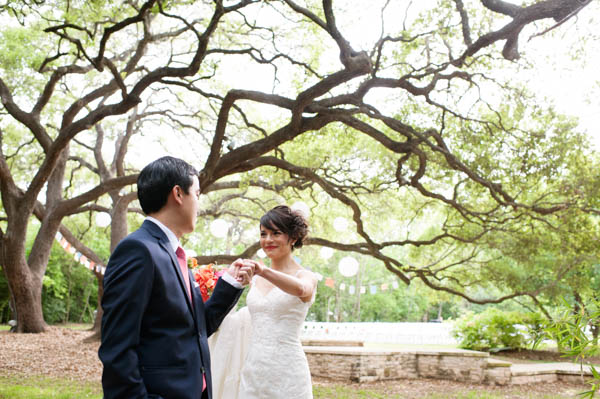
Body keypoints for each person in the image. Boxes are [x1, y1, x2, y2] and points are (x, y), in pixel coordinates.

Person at [98, 156, 254, 399]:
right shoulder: (138, 250)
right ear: (178, 194)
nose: (199, 204)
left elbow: (195, 328)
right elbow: (117, 348)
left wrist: (231, 283)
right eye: (198, 194)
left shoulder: (174, 253)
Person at [209, 205, 318, 399]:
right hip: (253, 369)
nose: (268, 240)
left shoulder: (305, 276)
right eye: (263, 234)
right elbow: (240, 320)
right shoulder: (256, 280)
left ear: (293, 238)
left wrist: (263, 270)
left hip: (288, 370)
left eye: (276, 233)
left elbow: (302, 289)